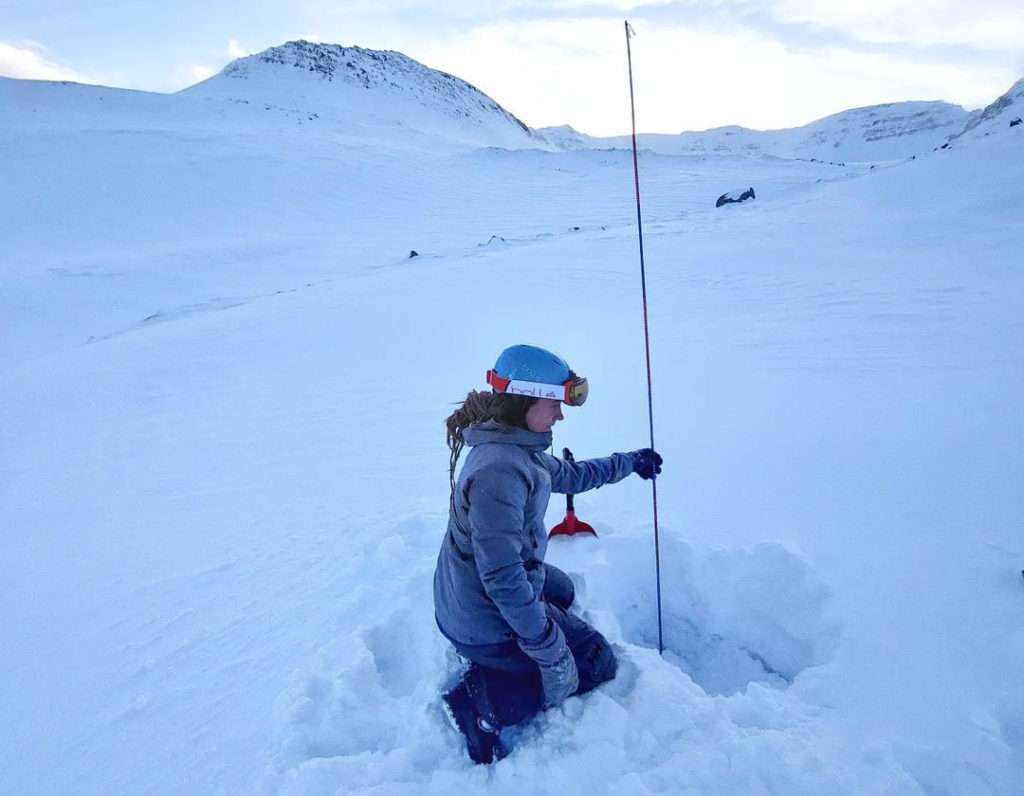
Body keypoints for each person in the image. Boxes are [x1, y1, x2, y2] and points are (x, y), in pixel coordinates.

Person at [434, 344, 663, 763]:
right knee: (594, 661)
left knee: (559, 588)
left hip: (471, 590)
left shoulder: (519, 448)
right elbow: (503, 579)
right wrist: (550, 650)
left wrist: (631, 462)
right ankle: (480, 706)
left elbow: (572, 475)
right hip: (480, 615)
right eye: (554, 403)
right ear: (523, 400)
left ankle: (512, 653)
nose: (561, 414)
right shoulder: (499, 472)